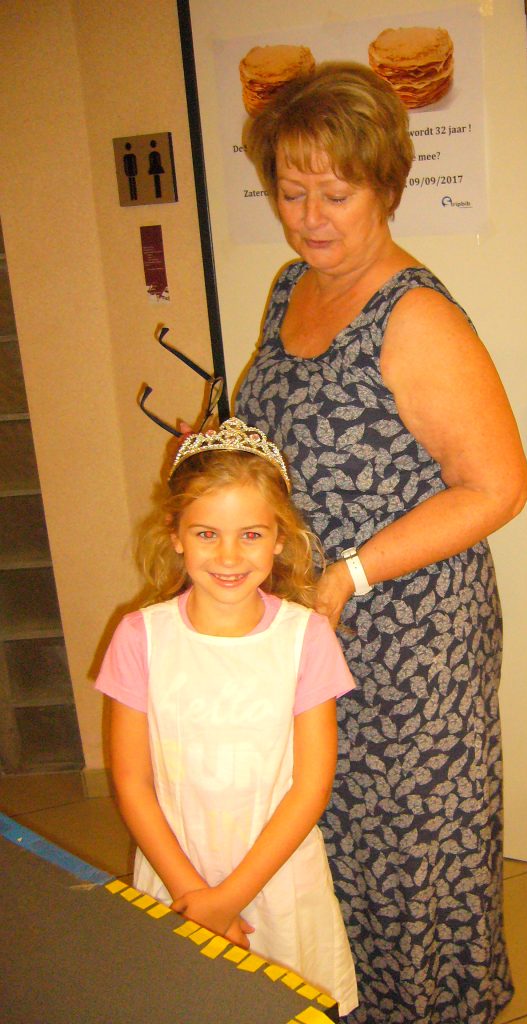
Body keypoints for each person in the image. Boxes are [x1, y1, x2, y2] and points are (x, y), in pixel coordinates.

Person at [236, 62, 527, 1024]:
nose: (310, 217)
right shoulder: (292, 289)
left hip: (410, 644)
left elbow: (498, 486)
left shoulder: (415, 316)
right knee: (329, 841)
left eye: (336, 192)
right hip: (311, 624)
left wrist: (349, 575)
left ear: (386, 186)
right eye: (291, 192)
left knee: (416, 862)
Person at [95, 417, 358, 1016]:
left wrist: (227, 900)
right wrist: (195, 896)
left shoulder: (306, 638)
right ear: (176, 535)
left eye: (251, 534)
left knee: (284, 1005)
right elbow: (132, 781)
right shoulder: (140, 638)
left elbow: (311, 787)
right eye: (207, 534)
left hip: (276, 877)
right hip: (176, 870)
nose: (230, 555)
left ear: (280, 538)